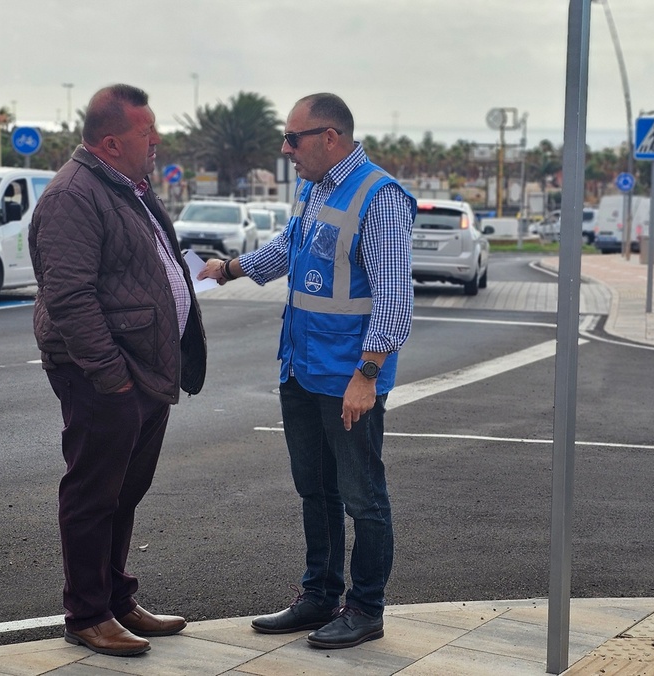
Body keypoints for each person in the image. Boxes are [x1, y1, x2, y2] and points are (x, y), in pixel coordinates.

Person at [198, 92, 415, 649]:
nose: (285, 147)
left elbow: (394, 300)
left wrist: (367, 375)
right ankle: (318, 596)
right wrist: (229, 269)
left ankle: (365, 609)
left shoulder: (380, 197)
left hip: (347, 378)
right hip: (300, 368)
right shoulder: (313, 189)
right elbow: (291, 251)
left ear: (330, 138)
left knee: (362, 495)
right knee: (314, 491)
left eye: (294, 138)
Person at [29, 84, 207, 657]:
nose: (156, 139)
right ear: (111, 142)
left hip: (144, 370)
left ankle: (115, 599)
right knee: (93, 492)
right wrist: (112, 376)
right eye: (146, 131)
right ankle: (87, 613)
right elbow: (69, 296)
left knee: (124, 491)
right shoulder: (73, 196)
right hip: (105, 373)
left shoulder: (127, 187)